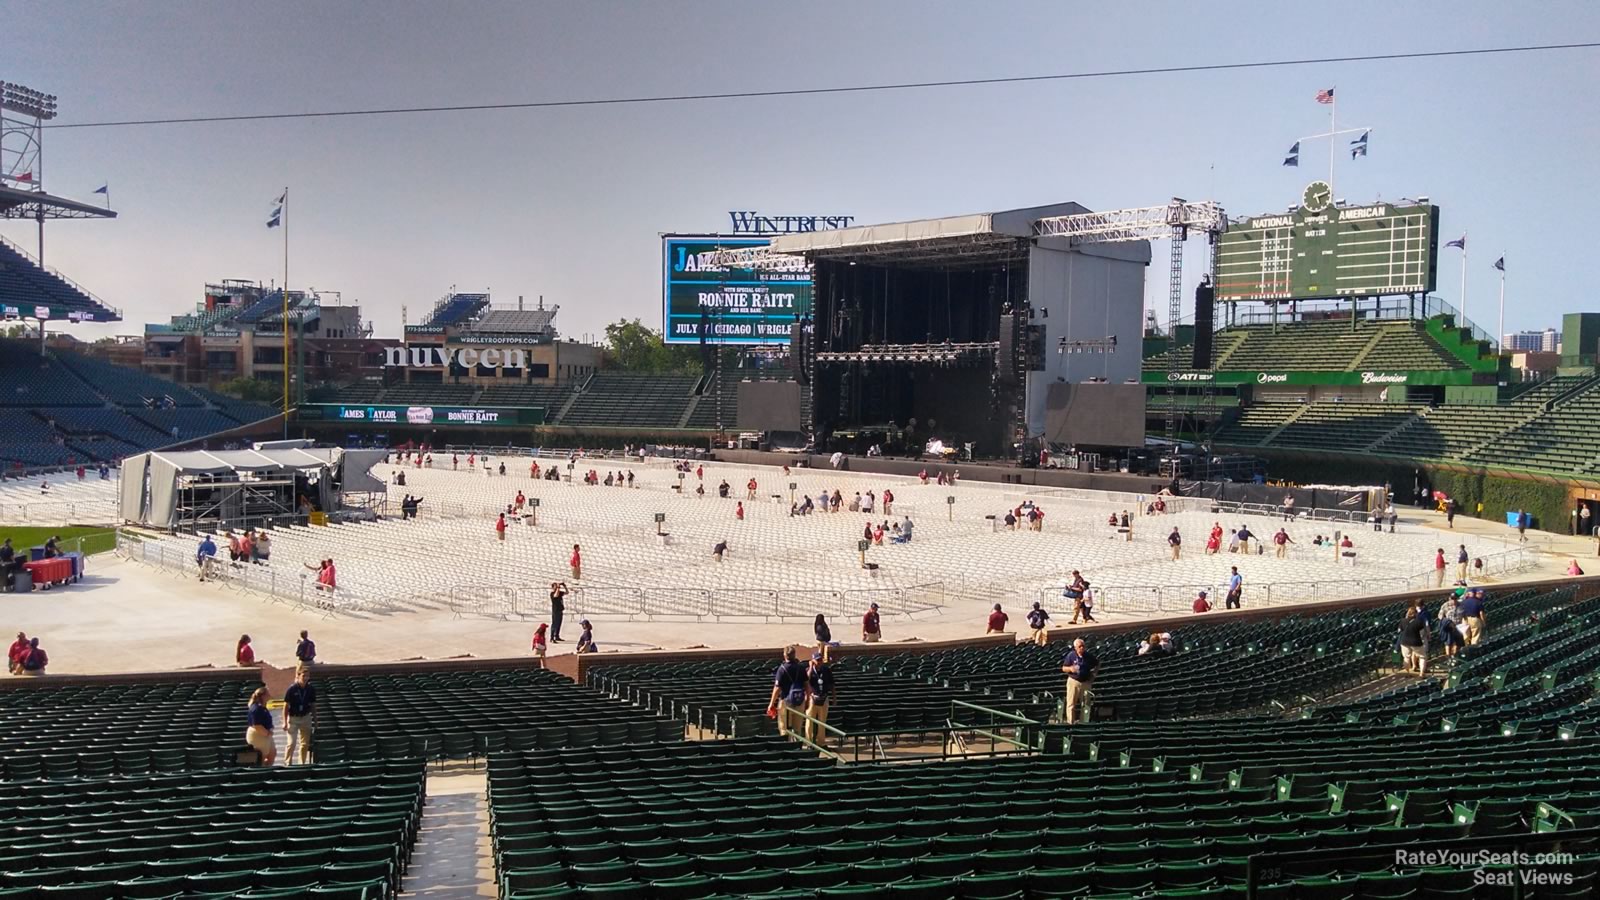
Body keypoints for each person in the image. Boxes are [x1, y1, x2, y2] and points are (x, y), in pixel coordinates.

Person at [767, 646, 808, 736]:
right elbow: (807, 685)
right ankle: (797, 746)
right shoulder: (801, 668)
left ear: (785, 655)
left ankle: (787, 746)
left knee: (784, 728)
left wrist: (771, 703)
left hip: (785, 701)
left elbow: (777, 688)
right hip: (799, 701)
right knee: (797, 729)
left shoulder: (782, 669)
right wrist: (807, 699)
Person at [1060, 638, 1098, 724]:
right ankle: (1071, 722)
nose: (1082, 648)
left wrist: (1094, 674)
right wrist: (1070, 668)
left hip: (1086, 682)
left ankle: (1083, 722)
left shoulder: (1088, 656)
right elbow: (1063, 668)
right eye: (1079, 646)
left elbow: (1097, 663)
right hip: (1074, 681)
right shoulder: (1071, 655)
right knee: (1071, 704)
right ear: (1075, 648)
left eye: (1083, 646)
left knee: (1085, 704)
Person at [283, 668, 316, 765]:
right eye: (303, 676)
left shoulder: (310, 689)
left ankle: (302, 763)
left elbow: (313, 705)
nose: (305, 678)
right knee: (291, 743)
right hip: (294, 718)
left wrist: (316, 720)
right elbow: (285, 706)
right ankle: (288, 763)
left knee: (305, 743)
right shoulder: (292, 689)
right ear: (298, 676)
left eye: (307, 676)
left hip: (305, 717)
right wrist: (285, 721)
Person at [804, 650, 835, 744]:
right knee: (810, 721)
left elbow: (831, 684)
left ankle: (821, 742)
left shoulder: (826, 670)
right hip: (812, 698)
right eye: (817, 660)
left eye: (820, 660)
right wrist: (810, 667)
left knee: (822, 722)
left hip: (824, 697)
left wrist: (834, 697)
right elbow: (806, 680)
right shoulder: (808, 670)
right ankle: (809, 742)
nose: (819, 662)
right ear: (813, 660)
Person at [245, 687, 275, 765]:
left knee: (272, 753)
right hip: (258, 734)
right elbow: (257, 725)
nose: (269, 695)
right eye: (267, 694)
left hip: (266, 733)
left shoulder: (263, 706)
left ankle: (267, 770)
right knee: (262, 756)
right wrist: (267, 733)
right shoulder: (256, 708)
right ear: (263, 696)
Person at [1399, 607, 1428, 675]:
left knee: (1406, 657)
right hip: (1416, 641)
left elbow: (1400, 630)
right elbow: (1422, 632)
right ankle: (1421, 673)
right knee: (1422, 657)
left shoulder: (1403, 620)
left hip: (1405, 641)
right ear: (1416, 613)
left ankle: (1407, 673)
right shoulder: (1419, 621)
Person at [1438, 592, 1466, 660]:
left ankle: (1455, 656)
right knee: (1448, 643)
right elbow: (1440, 616)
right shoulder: (1445, 605)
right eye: (1452, 599)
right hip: (1449, 627)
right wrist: (1447, 622)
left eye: (1455, 599)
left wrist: (1465, 624)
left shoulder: (1461, 605)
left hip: (1458, 626)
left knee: (1459, 643)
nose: (1454, 600)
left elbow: (1464, 615)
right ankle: (1448, 657)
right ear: (1449, 598)